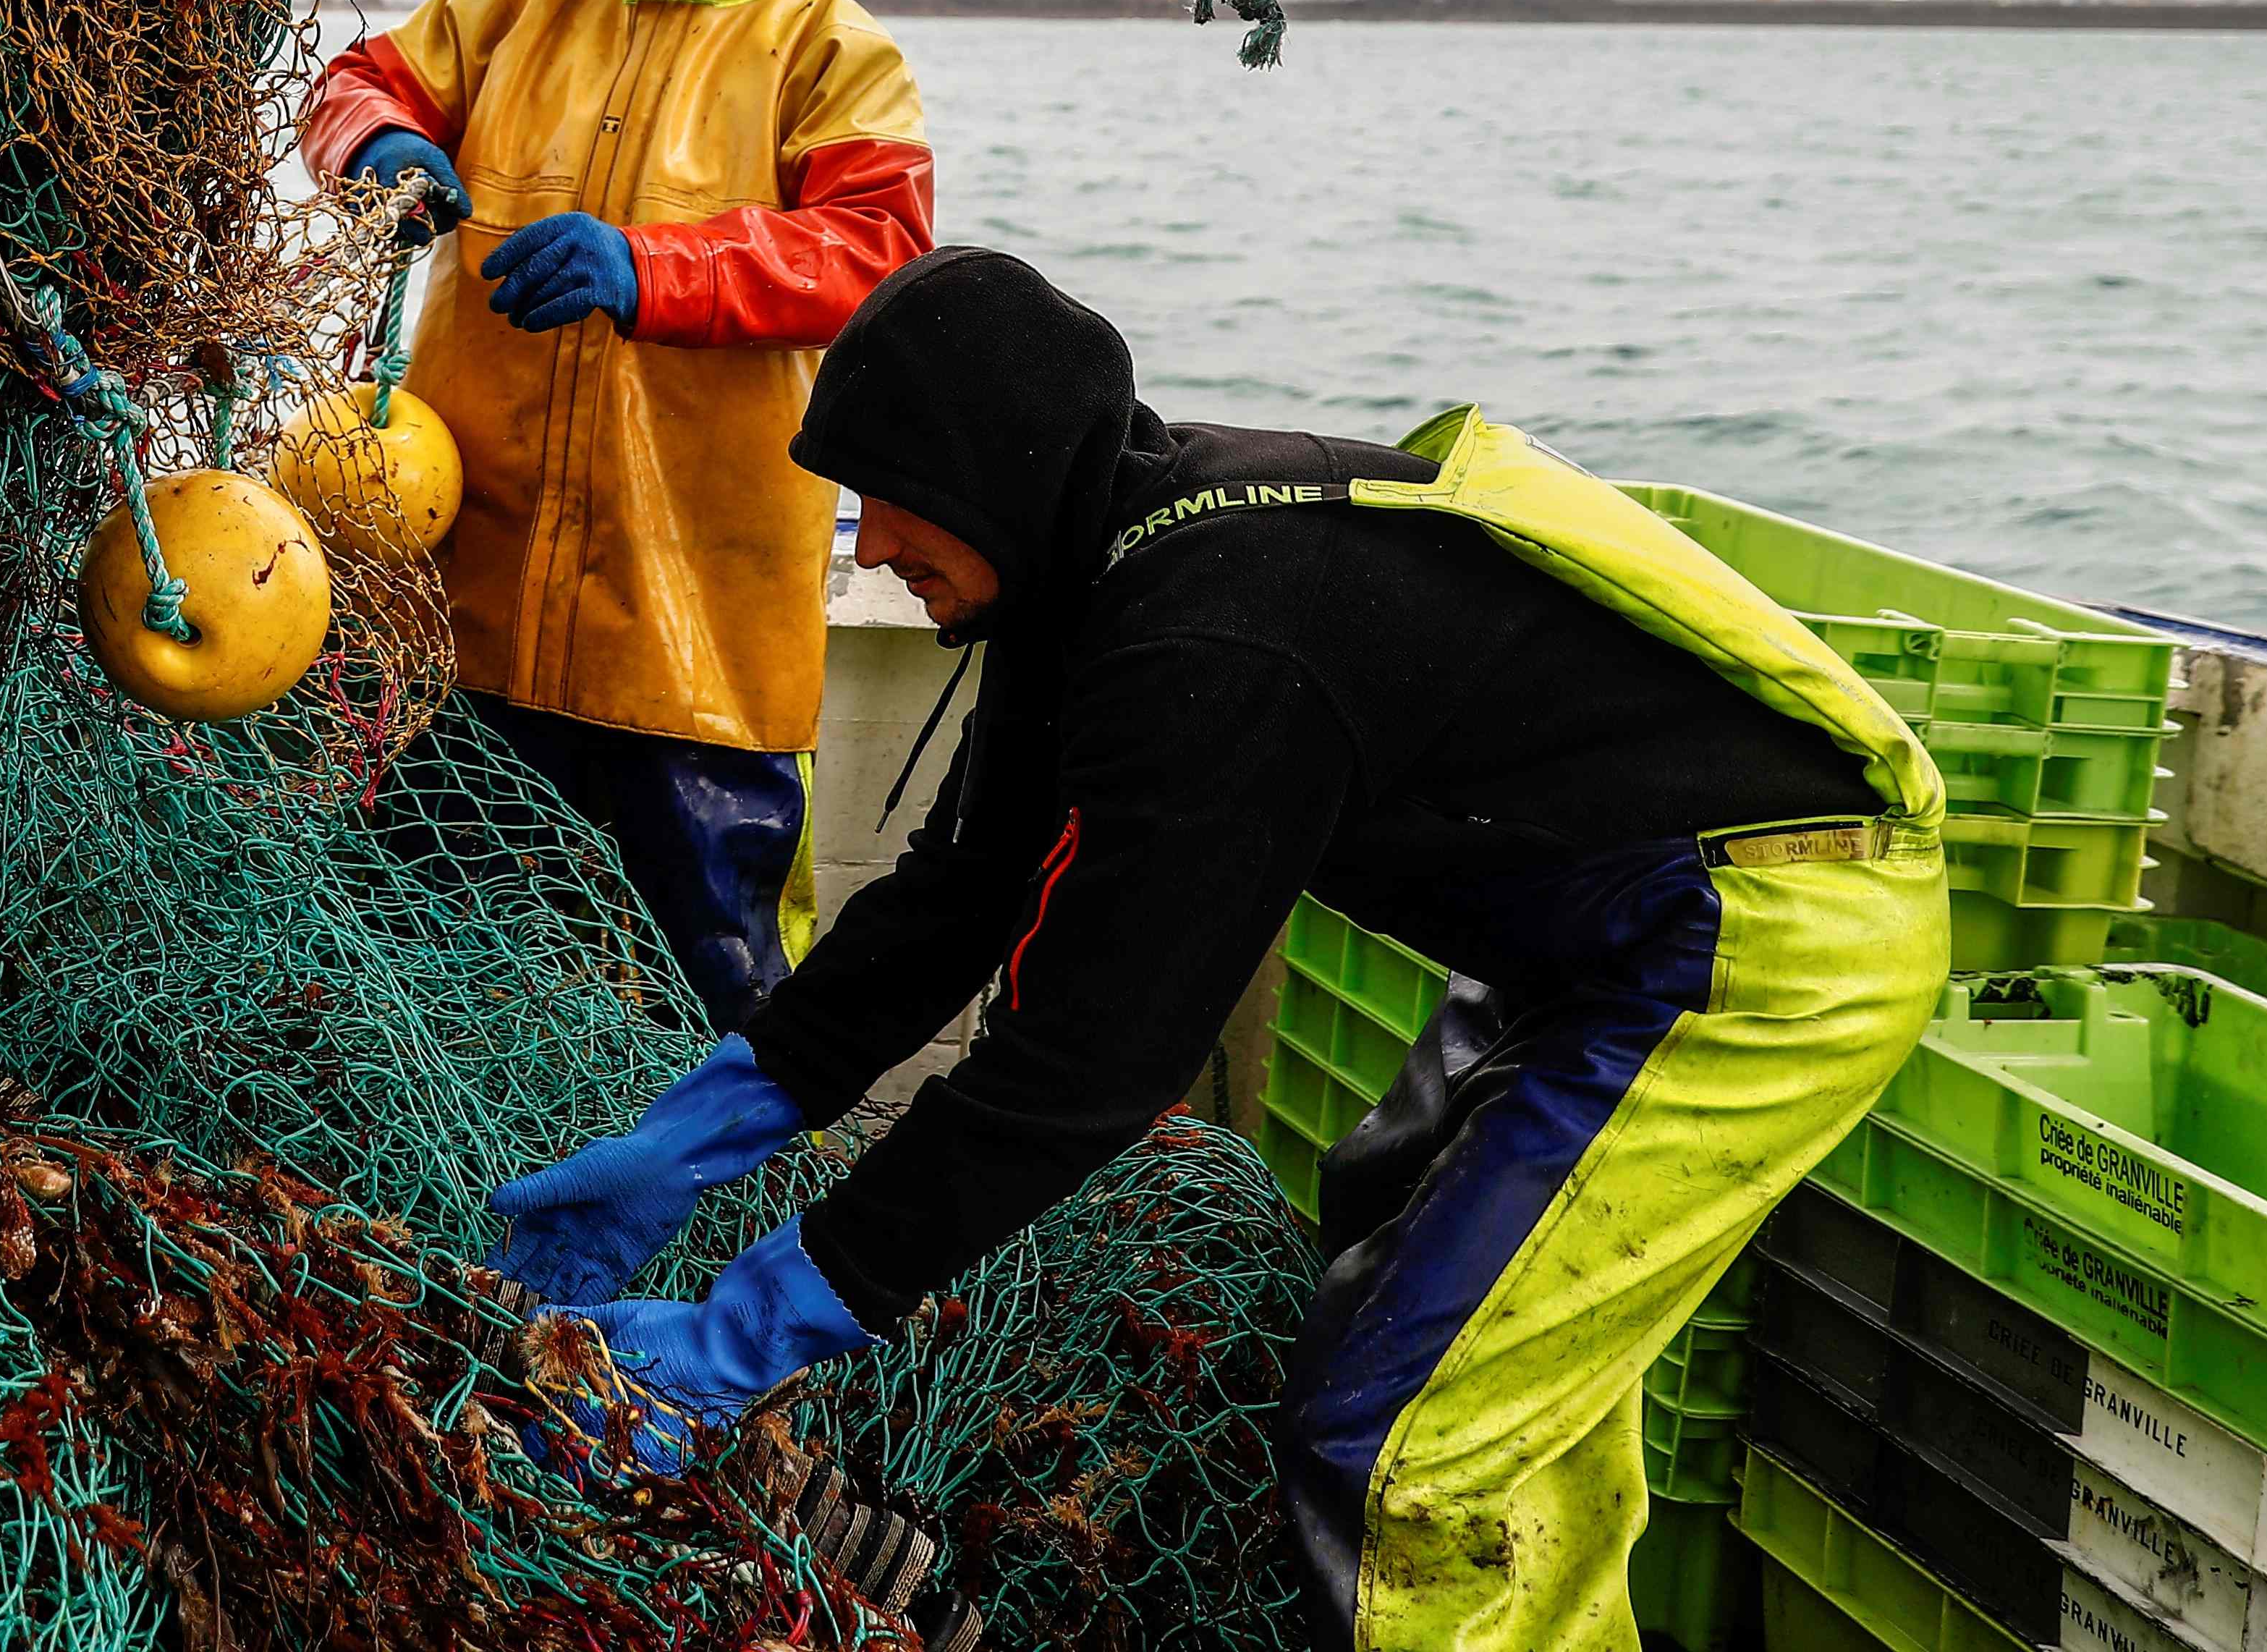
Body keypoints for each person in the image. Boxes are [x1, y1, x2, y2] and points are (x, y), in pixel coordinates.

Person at [488, 249, 1951, 1652]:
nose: (875, 544)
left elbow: (1079, 1071)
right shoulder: (1093, 565)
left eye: (891, 499)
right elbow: (961, 886)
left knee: (1400, 1437)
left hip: (1765, 924)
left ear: (988, 476)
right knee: (1419, 1283)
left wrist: (753, 1330)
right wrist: (693, 1131)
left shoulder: (1213, 644)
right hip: (1586, 925)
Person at [299, 0, 931, 1024]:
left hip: (695, 641)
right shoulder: (506, 10)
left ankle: (740, 1216)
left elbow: (878, 251)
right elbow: (351, 85)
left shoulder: (830, 50)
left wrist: (652, 271)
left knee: (717, 989)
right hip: (460, 616)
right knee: (403, 972)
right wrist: (382, 148)